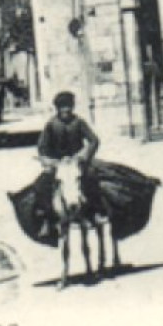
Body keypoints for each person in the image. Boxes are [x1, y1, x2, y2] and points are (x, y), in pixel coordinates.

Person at [33, 91, 104, 240]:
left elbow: (94, 140)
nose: (66, 110)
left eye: (68, 106)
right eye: (62, 107)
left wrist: (83, 156)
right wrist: (48, 160)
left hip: (77, 162)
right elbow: (42, 147)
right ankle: (47, 218)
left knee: (91, 176)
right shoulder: (51, 125)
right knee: (41, 184)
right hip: (58, 164)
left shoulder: (78, 122)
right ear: (57, 108)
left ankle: (95, 212)